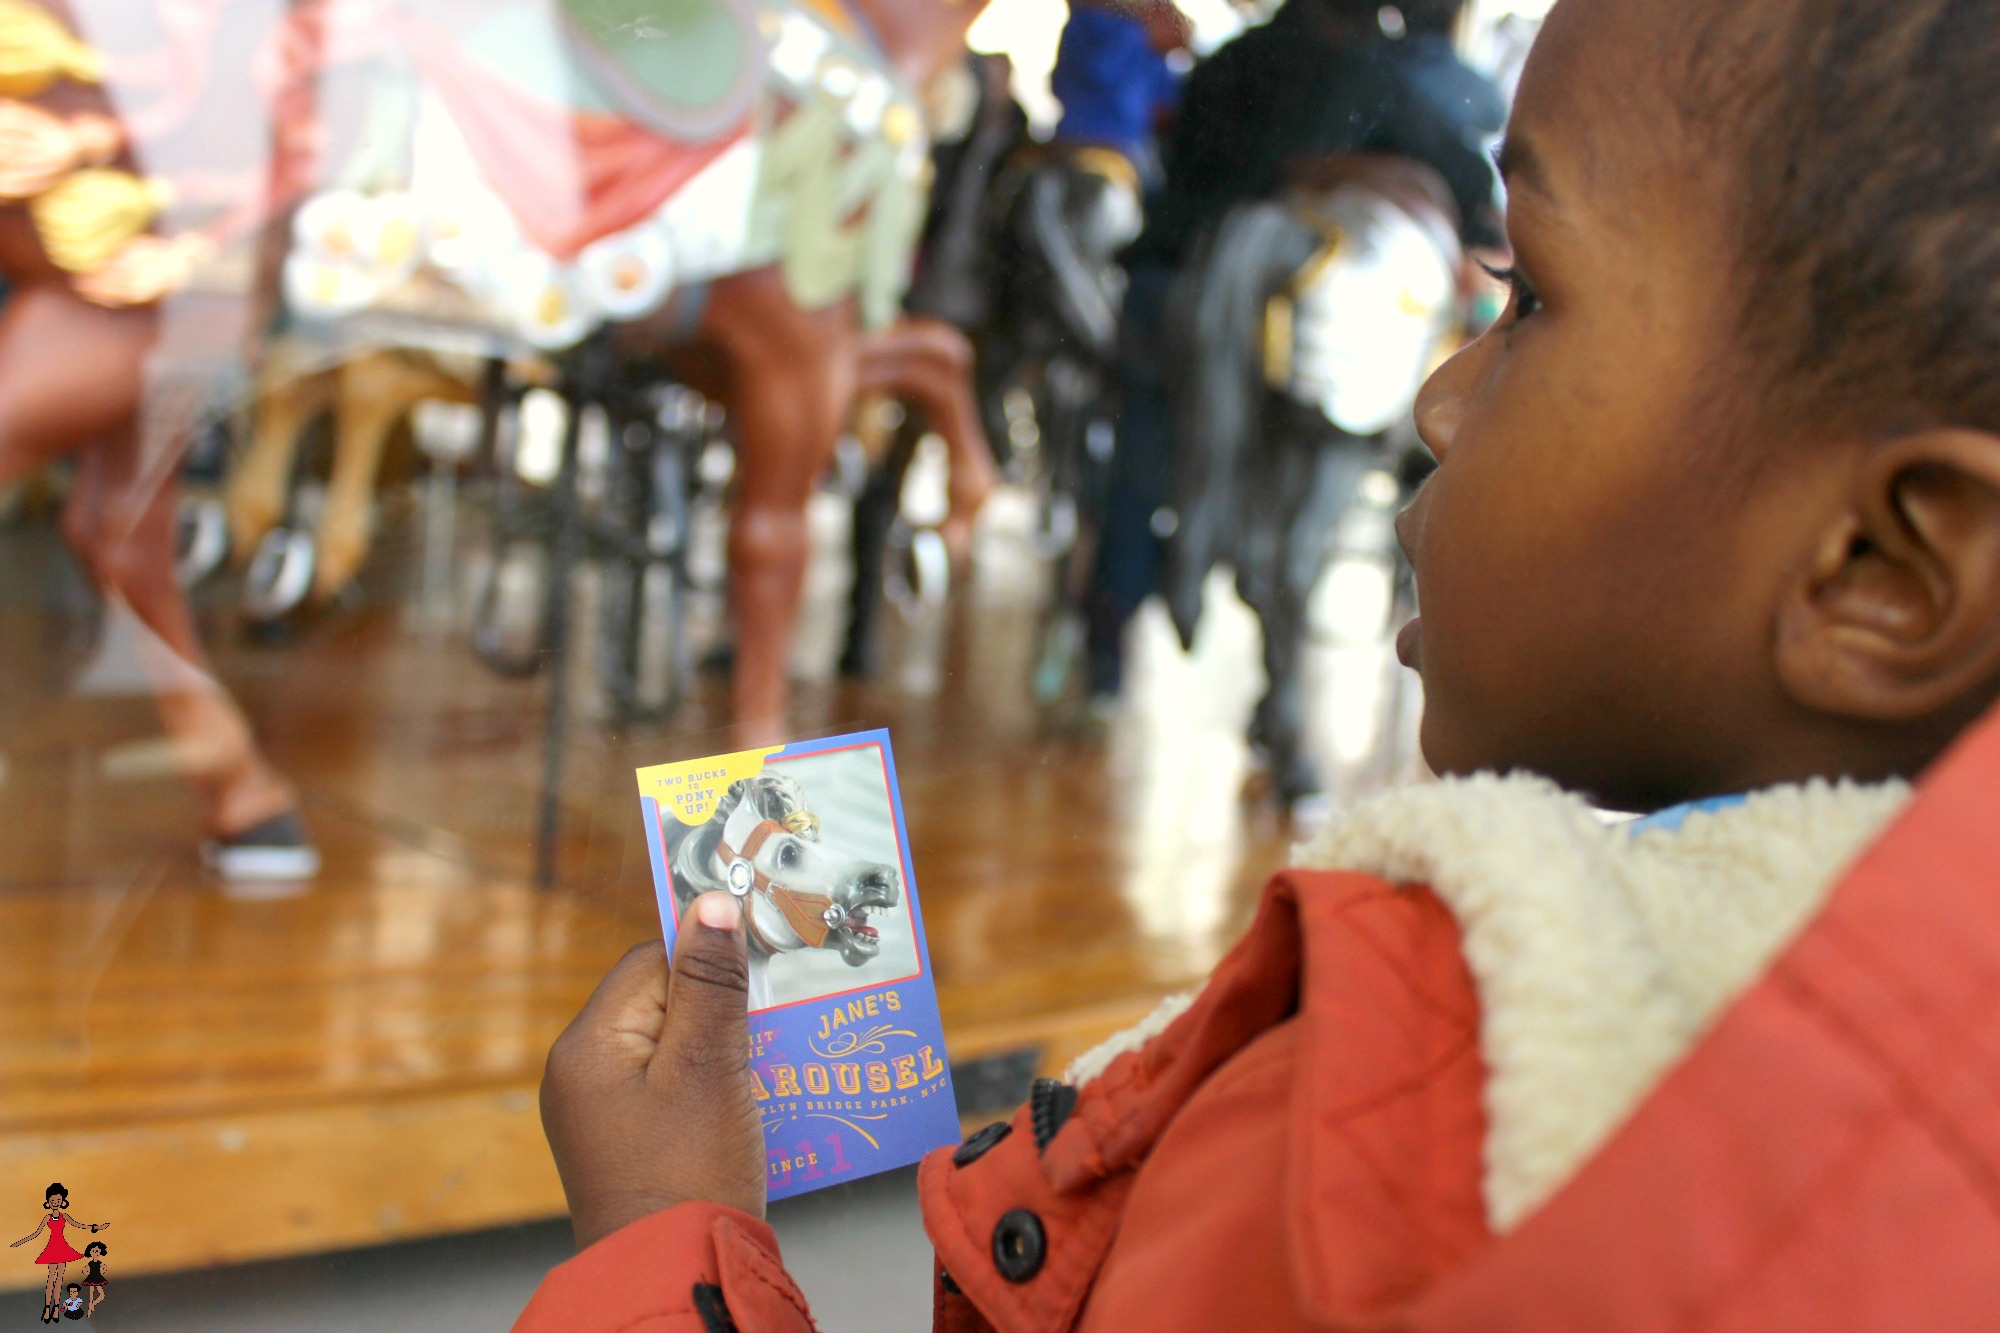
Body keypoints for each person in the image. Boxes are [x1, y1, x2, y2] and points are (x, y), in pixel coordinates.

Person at [520, 0, 2000, 1325]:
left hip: (1185, 238)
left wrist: (666, 1233)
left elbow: (1176, 203)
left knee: (1147, 395)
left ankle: (1124, 593)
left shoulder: (1350, 1140)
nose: (1435, 394)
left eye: (1527, 294)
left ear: (1886, 570)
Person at [1089, 0, 1503, 701]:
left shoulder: (1231, 62)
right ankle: (1276, 701)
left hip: (1175, 270)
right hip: (1290, 294)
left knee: (1141, 464)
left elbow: (1177, 157)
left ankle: (1103, 664)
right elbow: (1464, 175)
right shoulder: (1373, 73)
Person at [12, 1184, 106, 1325]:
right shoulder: (47, 1218)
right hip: (52, 1247)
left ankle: (56, 1308)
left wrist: (95, 1227)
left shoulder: (64, 1216)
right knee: (50, 1280)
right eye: (52, 1201)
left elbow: (79, 1225)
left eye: (57, 1200)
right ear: (48, 1202)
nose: (55, 1203)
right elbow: (36, 1234)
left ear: (62, 1201)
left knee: (59, 1281)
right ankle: (47, 1308)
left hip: (62, 1247)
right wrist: (20, 1242)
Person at [79, 1241, 107, 1319]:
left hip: (96, 1277)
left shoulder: (98, 1262)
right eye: (94, 1251)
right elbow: (84, 1270)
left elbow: (105, 1268)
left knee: (100, 1295)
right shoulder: (91, 1263)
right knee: (92, 1295)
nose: (95, 1253)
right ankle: (90, 1309)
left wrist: (101, 1273)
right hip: (94, 1277)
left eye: (97, 1251)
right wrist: (89, 1274)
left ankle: (92, 1305)